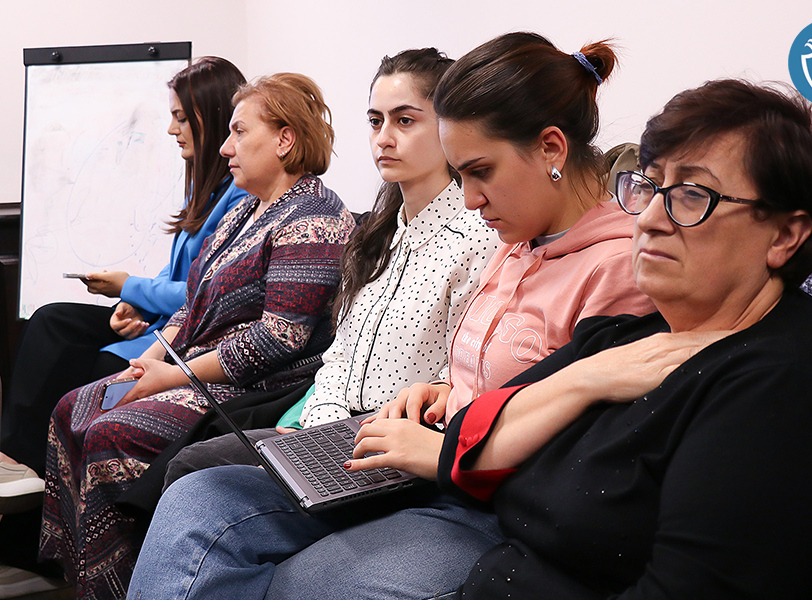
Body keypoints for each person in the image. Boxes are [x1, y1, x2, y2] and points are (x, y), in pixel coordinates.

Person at [126, 32, 654, 600]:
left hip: (484, 501)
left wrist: (444, 452)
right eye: (462, 175)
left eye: (480, 171)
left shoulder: (613, 269)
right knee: (195, 499)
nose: (471, 198)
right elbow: (498, 378)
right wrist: (442, 390)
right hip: (424, 460)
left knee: (293, 582)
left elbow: (581, 453)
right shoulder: (513, 241)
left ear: (551, 149)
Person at [439, 79, 812, 599]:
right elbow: (460, 452)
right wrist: (587, 378)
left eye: (692, 195)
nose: (651, 219)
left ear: (785, 236)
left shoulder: (789, 393)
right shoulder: (636, 333)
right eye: (650, 186)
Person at [38, 72, 356, 600]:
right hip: (196, 369)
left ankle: (131, 585)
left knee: (111, 433)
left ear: (285, 139)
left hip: (254, 388)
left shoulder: (314, 219)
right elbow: (191, 305)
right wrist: (148, 361)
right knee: (72, 409)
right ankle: (84, 579)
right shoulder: (244, 211)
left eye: (239, 132)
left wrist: (175, 375)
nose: (226, 147)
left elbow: (278, 338)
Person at [156, 47, 498, 488]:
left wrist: (336, 436)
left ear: (449, 127)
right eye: (375, 121)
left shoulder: (477, 239)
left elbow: (457, 377)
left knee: (196, 472)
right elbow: (339, 356)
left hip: (400, 444)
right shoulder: (378, 236)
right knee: (191, 464)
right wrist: (320, 425)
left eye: (404, 121)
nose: (383, 138)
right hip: (334, 429)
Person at [0, 56, 247, 576]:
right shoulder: (203, 186)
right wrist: (131, 304)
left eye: (181, 118)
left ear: (211, 117)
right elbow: (178, 274)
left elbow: (203, 294)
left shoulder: (241, 197)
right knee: (50, 321)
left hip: (182, 338)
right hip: (159, 323)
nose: (172, 129)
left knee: (86, 375)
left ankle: (43, 517)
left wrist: (131, 288)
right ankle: (17, 459)